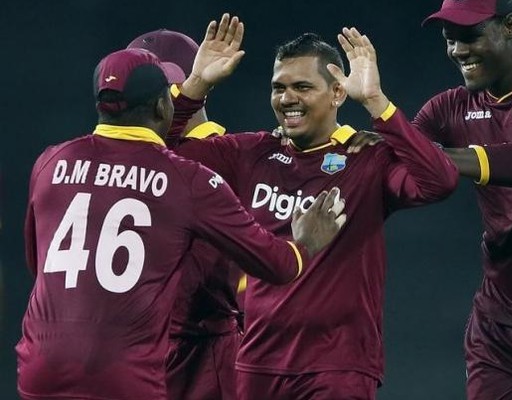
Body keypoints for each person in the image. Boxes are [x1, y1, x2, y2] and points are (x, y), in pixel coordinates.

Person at [16, 15, 347, 400]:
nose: (173, 92)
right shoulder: (180, 171)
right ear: (162, 102)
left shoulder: (232, 154)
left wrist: (351, 139)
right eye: (168, 88)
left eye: (179, 82)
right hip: (136, 355)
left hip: (197, 350)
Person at [332, 0, 512, 398]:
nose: (458, 50)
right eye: (449, 39)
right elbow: (399, 172)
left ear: (509, 26)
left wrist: (421, 151)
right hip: (498, 331)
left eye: (470, 36)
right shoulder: (450, 106)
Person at [171, 32, 458, 399]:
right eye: (279, 88)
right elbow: (161, 159)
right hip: (256, 363)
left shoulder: (367, 161)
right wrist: (196, 86)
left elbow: (441, 181)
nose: (287, 98)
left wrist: (378, 105)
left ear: (337, 93)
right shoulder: (252, 153)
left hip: (337, 367)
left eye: (303, 87)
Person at [126, 28, 246, 400]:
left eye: (167, 88)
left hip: (203, 355)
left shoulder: (230, 155)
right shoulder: (129, 158)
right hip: (139, 353)